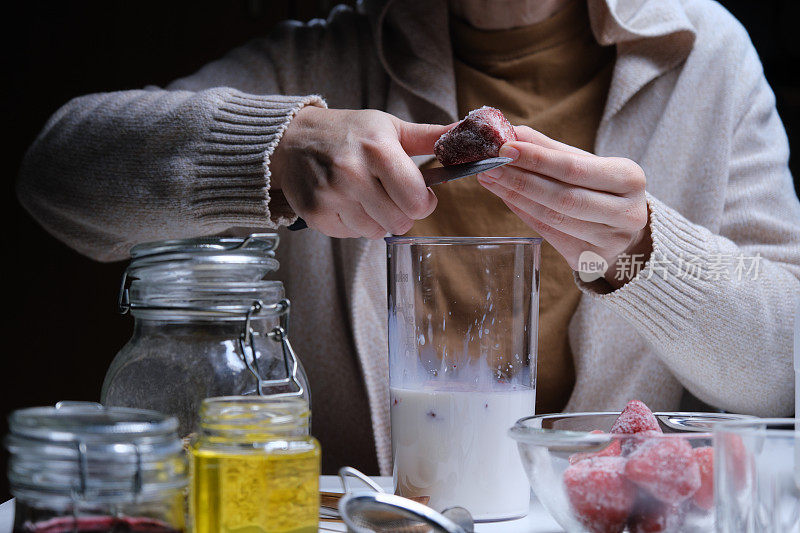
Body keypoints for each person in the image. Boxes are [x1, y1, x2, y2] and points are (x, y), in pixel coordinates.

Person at [17, 0, 800, 476]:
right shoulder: (327, 56)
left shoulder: (706, 60)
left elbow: (782, 372)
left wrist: (642, 254)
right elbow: (56, 173)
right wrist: (279, 144)